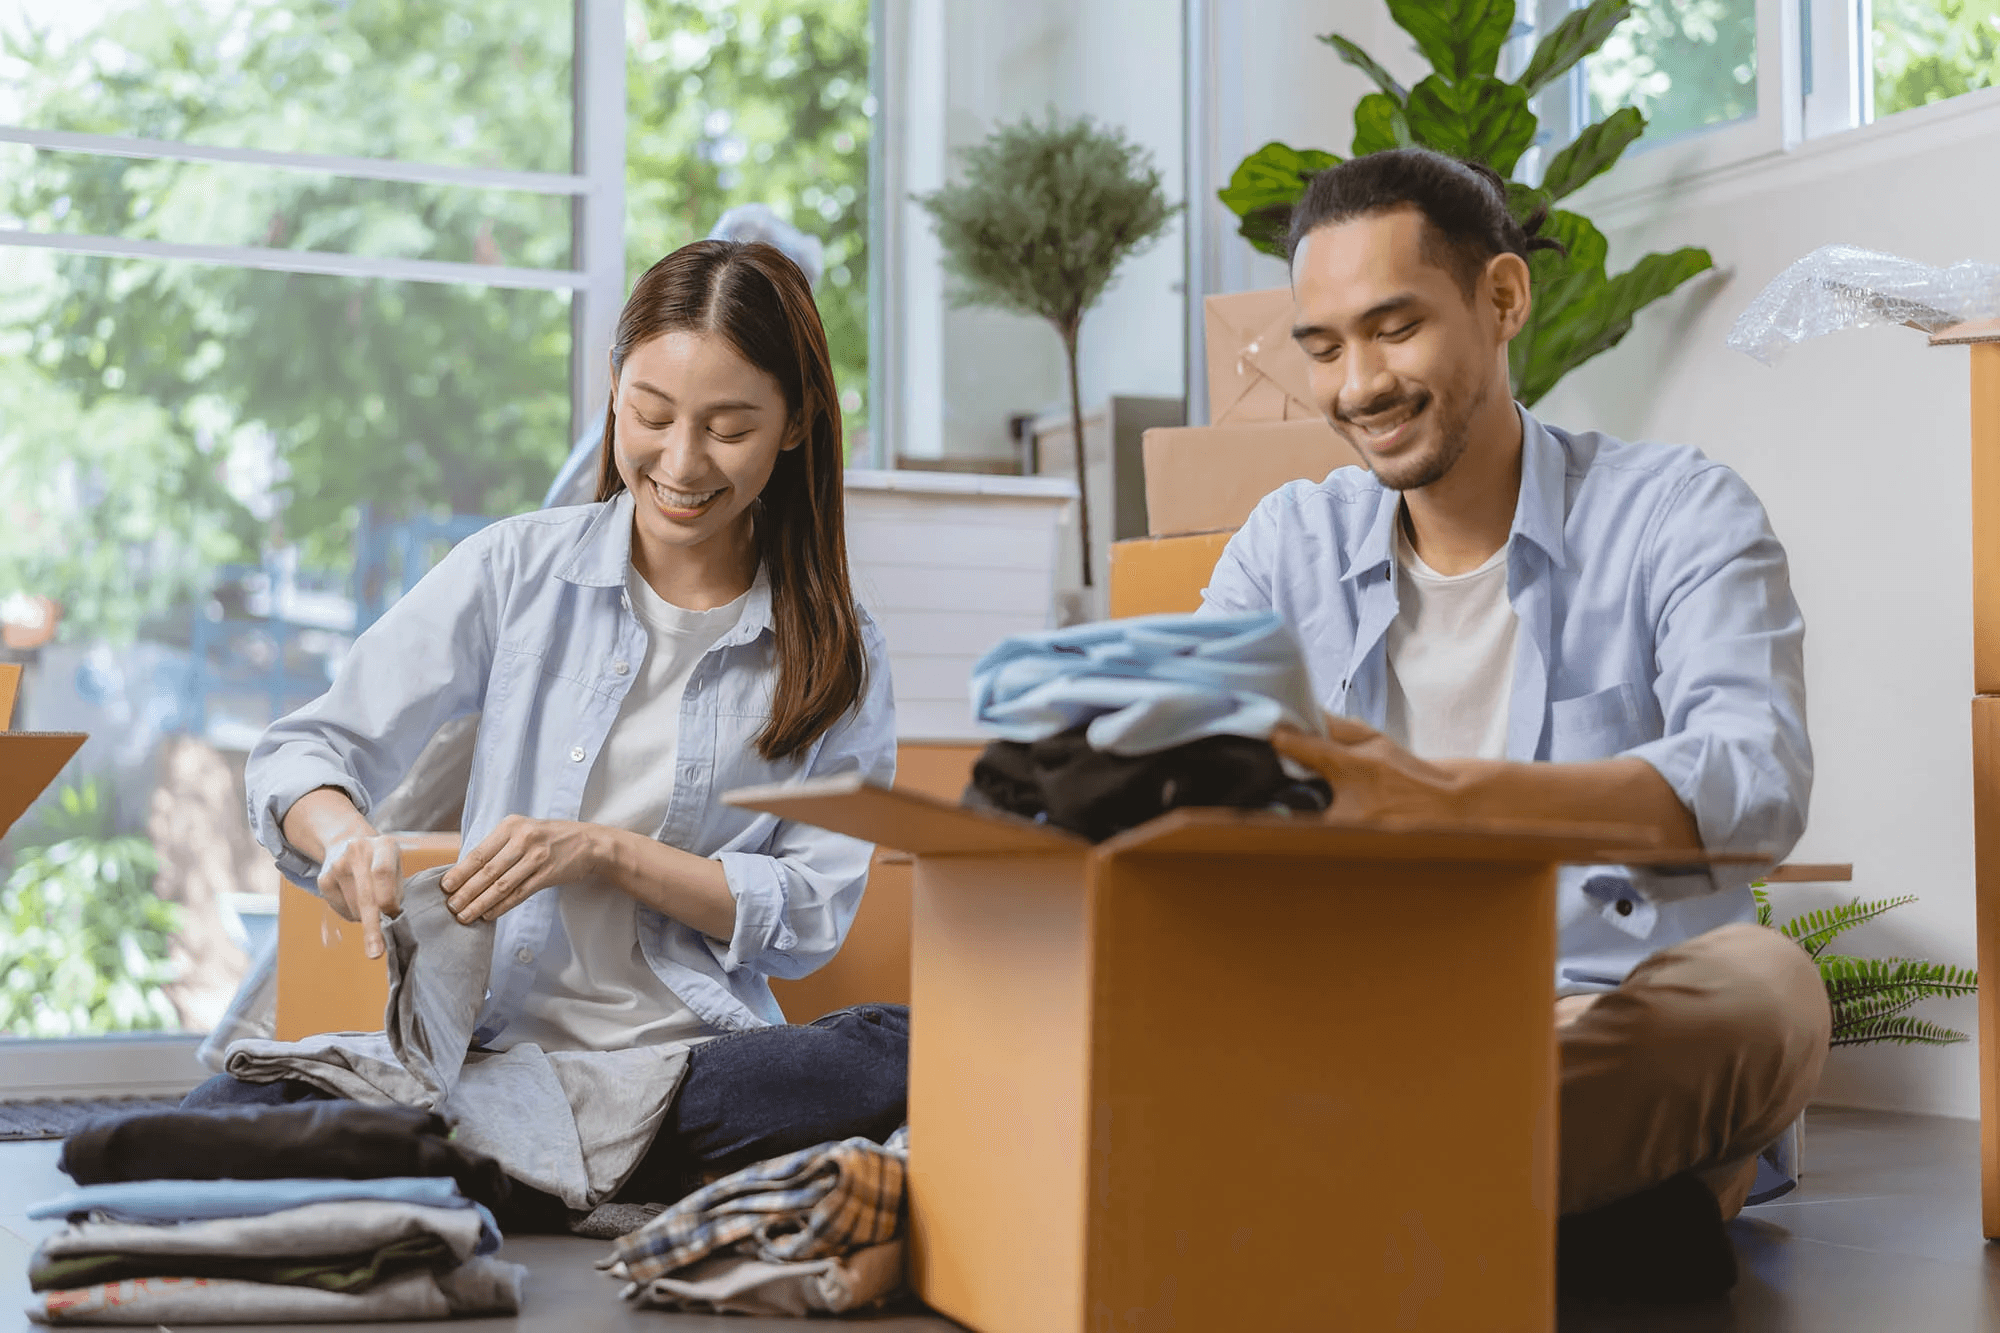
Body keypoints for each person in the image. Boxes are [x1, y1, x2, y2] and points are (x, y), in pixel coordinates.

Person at [1203, 148, 1828, 1302]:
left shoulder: (1675, 513)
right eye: (1324, 347)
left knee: (1770, 990)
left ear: (1501, 299)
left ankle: (1314, 1200)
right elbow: (1187, 776)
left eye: (1392, 328)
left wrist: (1447, 800)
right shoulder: (1282, 547)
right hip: (1365, 1029)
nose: (1356, 385)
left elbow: (1754, 776)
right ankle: (1583, 1211)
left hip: (1600, 1024)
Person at [184, 240, 905, 1224]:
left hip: (686, 1076)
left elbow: (810, 918)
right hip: (481, 1065)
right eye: (650, 416)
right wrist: (343, 836)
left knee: (892, 1050)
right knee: (214, 1114)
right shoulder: (514, 571)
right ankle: (515, 1166)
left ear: (793, 425)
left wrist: (606, 853)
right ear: (614, 389)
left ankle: (494, 1174)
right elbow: (304, 750)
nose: (680, 463)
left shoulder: (835, 648)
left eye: (728, 427)